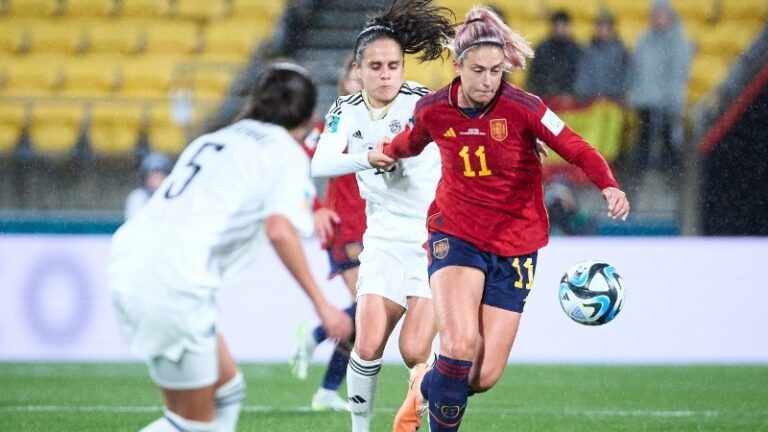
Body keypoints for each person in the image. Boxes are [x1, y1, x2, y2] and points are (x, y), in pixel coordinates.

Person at [371, 6, 630, 431]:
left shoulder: (524, 107)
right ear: (458, 66)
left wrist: (608, 183)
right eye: (478, 70)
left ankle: (422, 387)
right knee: (459, 343)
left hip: (517, 243)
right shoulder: (436, 108)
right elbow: (411, 141)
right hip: (455, 234)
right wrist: (389, 151)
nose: (488, 80)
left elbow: (575, 146)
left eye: (496, 70)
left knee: (482, 375)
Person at [108, 63, 354, 432]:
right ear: (307, 116)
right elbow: (279, 229)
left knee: (228, 392)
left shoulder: (216, 137)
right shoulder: (284, 152)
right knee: (189, 424)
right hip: (173, 281)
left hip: (132, 261)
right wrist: (323, 305)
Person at [310, 1, 454, 430]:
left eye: (394, 65)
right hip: (383, 241)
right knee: (368, 343)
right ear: (359, 68)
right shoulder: (345, 110)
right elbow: (320, 163)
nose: (386, 74)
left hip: (431, 240)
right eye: (376, 66)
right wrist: (367, 158)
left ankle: (425, 415)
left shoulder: (425, 104)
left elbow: (470, 132)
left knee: (414, 350)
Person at [288, 56, 365, 412]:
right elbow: (295, 161)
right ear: (344, 83)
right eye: (354, 76)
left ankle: (326, 391)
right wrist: (316, 205)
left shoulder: (389, 123)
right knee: (368, 307)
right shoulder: (335, 123)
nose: (361, 80)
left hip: (379, 228)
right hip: (345, 227)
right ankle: (317, 335)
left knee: (369, 316)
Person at [627, 0, 692, 172]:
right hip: (645, 99)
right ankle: (643, 171)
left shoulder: (678, 41)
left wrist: (672, 97)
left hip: (668, 99)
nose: (657, 18)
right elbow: (637, 68)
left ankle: (671, 172)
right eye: (654, 14)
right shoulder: (644, 39)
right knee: (644, 136)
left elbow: (678, 73)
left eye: (660, 14)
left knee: (668, 139)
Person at [526, 9, 582, 104]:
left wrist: (571, 92)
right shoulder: (542, 49)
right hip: (545, 98)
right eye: (557, 25)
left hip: (569, 100)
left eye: (563, 25)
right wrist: (544, 92)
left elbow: (580, 75)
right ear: (552, 26)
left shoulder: (576, 50)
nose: (560, 29)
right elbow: (534, 76)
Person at [574, 8, 629, 103]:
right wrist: (586, 95)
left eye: (607, 26)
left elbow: (626, 76)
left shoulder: (621, 51)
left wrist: (616, 94)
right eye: (601, 26)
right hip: (592, 102)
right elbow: (583, 76)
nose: (603, 30)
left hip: (614, 102)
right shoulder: (588, 50)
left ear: (612, 28)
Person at [123, 152, 172, 220]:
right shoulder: (137, 196)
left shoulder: (173, 197)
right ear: (145, 178)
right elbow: (136, 224)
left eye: (160, 177)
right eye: (153, 176)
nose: (156, 181)